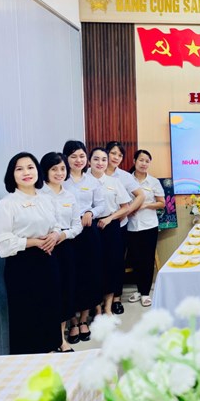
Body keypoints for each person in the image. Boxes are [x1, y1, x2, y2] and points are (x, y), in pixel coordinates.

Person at [0, 152, 62, 354]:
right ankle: (29, 363)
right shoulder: (7, 204)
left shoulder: (46, 199)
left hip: (48, 260)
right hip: (22, 265)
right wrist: (33, 242)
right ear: (12, 175)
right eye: (19, 169)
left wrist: (55, 235)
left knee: (50, 310)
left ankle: (50, 353)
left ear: (38, 171)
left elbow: (56, 224)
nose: (26, 172)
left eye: (30, 167)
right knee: (27, 316)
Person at [63, 140, 105, 343]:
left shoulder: (92, 181)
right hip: (68, 235)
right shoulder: (61, 180)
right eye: (73, 156)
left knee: (89, 275)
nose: (78, 160)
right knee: (71, 276)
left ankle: (83, 320)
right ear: (66, 158)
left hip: (88, 233)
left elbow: (102, 205)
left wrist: (90, 212)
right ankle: (72, 321)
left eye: (81, 156)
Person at [41, 152, 83, 352]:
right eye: (54, 169)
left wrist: (64, 235)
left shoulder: (70, 195)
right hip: (45, 248)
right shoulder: (39, 195)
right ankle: (47, 340)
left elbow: (77, 225)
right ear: (45, 171)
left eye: (62, 169)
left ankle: (60, 339)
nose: (59, 173)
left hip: (65, 246)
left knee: (65, 291)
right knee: (49, 293)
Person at [88, 147, 131, 315]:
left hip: (110, 225)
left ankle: (107, 307)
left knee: (112, 266)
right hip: (89, 227)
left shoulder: (114, 182)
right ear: (89, 161)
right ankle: (96, 308)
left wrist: (109, 218)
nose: (100, 163)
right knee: (93, 267)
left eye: (103, 159)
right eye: (96, 159)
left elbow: (125, 207)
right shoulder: (83, 181)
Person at [105, 141, 145, 314]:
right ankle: (99, 301)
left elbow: (141, 195)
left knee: (117, 263)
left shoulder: (124, 176)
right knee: (100, 264)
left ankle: (116, 298)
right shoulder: (93, 172)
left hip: (118, 225)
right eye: (113, 153)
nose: (116, 157)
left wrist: (127, 211)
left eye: (120, 155)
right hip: (98, 226)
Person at [127, 150, 165, 307]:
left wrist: (145, 205)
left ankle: (145, 292)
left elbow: (162, 203)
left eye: (147, 161)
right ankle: (138, 289)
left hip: (149, 225)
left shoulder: (153, 182)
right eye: (141, 160)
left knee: (147, 260)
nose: (144, 163)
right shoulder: (126, 180)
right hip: (131, 225)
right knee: (135, 259)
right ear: (134, 161)